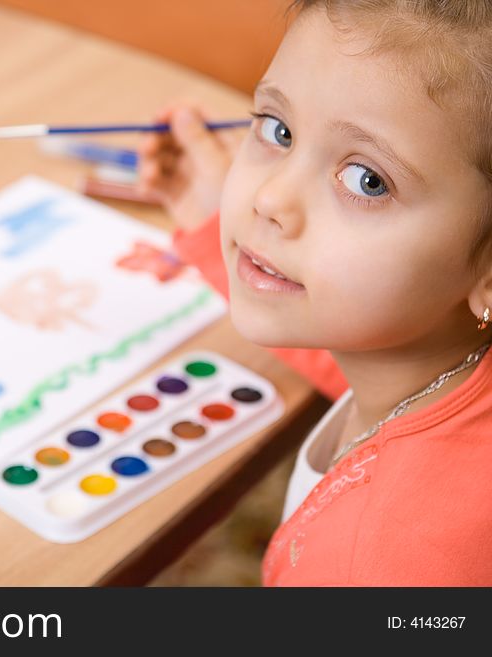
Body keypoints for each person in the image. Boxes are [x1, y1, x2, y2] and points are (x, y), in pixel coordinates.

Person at [138, 0, 492, 586]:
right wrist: (209, 226)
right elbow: (363, 362)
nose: (270, 199)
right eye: (278, 130)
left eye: (367, 180)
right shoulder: (430, 361)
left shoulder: (379, 567)